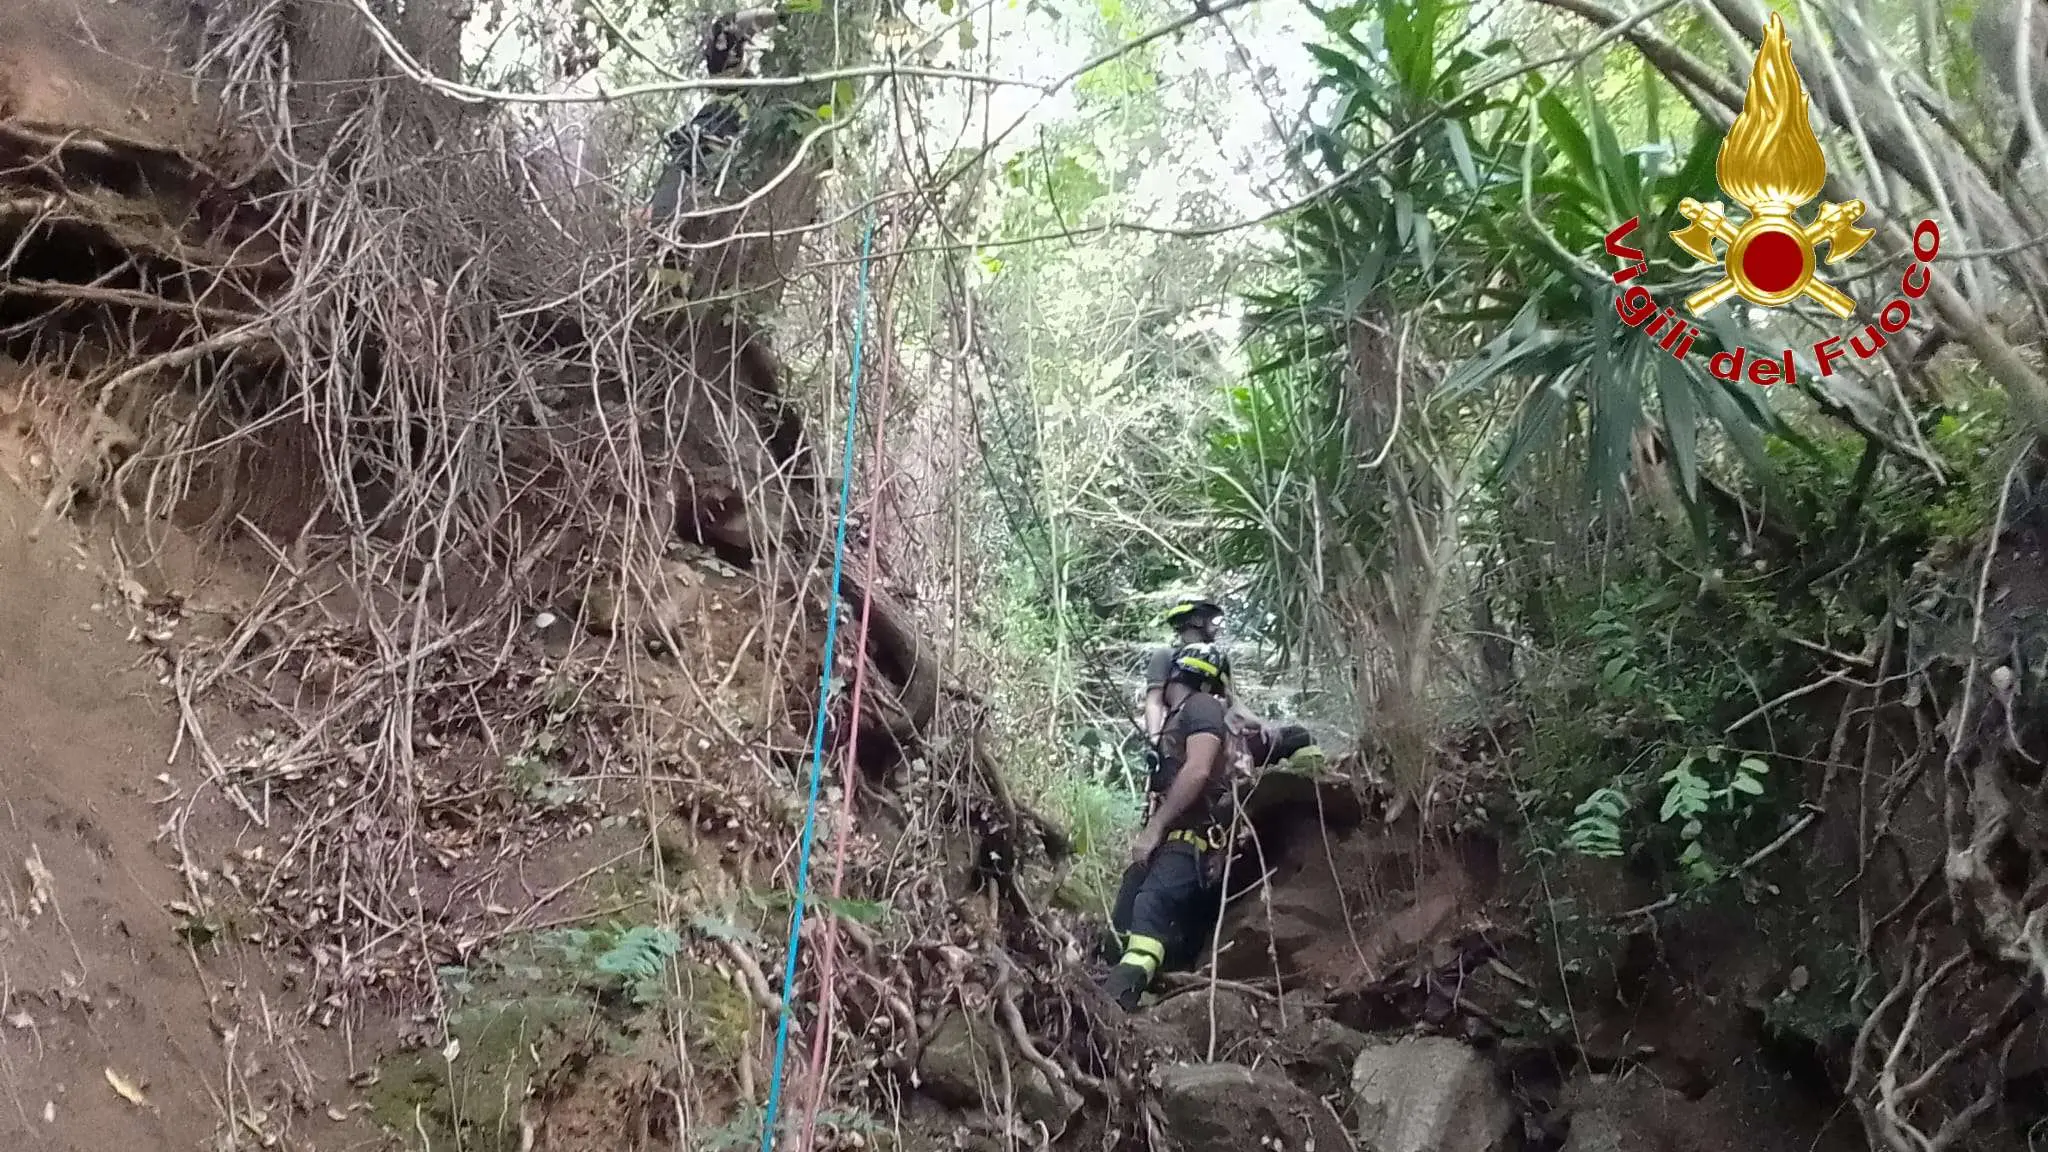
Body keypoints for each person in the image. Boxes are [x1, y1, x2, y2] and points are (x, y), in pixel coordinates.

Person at [1105, 642, 1234, 1011]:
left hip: (1191, 840)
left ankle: (1116, 1005)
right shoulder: (1179, 716)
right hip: (1171, 842)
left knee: (1151, 904)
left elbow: (1198, 769)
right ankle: (1106, 983)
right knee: (1127, 907)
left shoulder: (1203, 706)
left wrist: (1154, 828)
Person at [648, 7, 783, 224]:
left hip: (711, 170)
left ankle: (661, 218)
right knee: (683, 155)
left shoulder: (752, 94)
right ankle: (658, 217)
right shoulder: (721, 99)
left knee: (685, 158)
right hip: (695, 168)